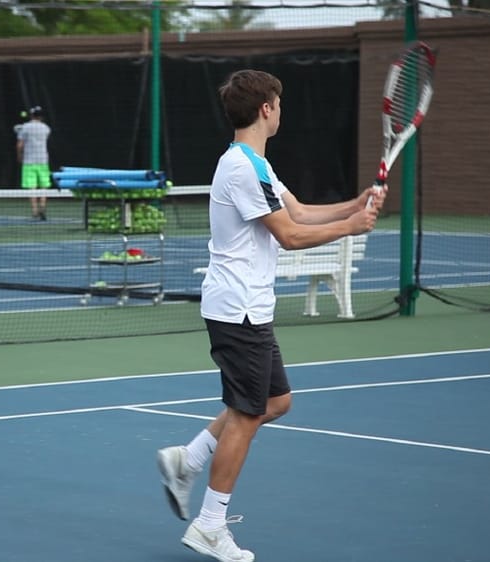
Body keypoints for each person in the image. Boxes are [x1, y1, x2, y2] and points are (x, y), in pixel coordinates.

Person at [156, 69, 385, 562]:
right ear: (266, 109)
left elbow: (297, 212)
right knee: (247, 414)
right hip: (237, 309)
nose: (281, 111)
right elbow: (290, 235)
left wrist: (356, 204)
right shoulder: (240, 167)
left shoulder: (256, 165)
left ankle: (187, 459)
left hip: (249, 307)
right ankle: (209, 526)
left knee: (275, 402)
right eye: (279, 104)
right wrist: (351, 226)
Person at [16, 105, 52, 220]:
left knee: (32, 187)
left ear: (31, 115)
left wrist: (19, 156)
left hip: (29, 161)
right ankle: (42, 207)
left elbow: (20, 145)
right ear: (41, 116)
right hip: (43, 160)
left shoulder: (25, 127)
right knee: (44, 186)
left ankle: (35, 211)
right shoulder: (46, 128)